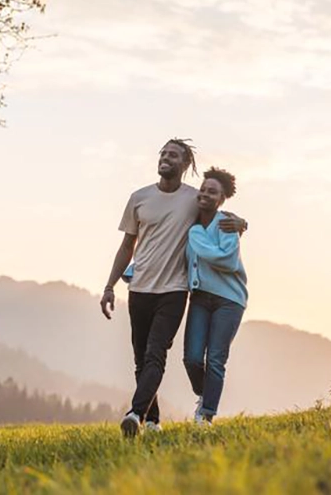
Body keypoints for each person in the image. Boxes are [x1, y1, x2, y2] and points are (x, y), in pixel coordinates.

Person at [100, 139, 246, 438]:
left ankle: (134, 414)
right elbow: (127, 245)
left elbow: (218, 211)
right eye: (163, 153)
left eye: (174, 155)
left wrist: (242, 222)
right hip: (139, 290)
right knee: (141, 359)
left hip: (174, 290)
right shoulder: (139, 198)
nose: (166, 157)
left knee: (156, 354)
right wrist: (109, 286)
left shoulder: (194, 198)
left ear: (185, 164)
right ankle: (152, 421)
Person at [183, 167, 248, 426]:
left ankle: (206, 415)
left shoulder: (226, 223)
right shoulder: (188, 224)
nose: (205, 195)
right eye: (203, 190)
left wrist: (196, 237)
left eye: (212, 192)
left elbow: (228, 260)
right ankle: (205, 394)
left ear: (221, 199)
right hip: (199, 298)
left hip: (229, 300)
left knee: (216, 360)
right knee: (192, 358)